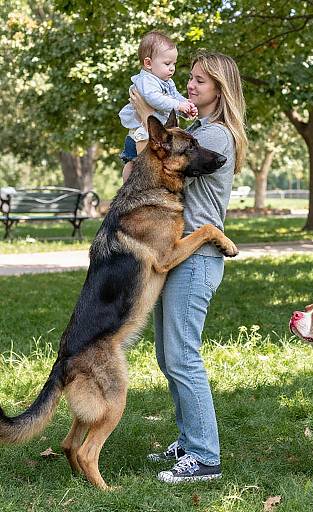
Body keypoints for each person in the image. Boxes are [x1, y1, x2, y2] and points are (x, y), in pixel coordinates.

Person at [130, 50, 247, 484]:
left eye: (200, 80)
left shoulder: (214, 138)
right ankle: (188, 438)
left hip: (196, 257)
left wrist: (146, 115)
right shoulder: (197, 129)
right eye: (190, 78)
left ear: (220, 87)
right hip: (175, 254)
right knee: (168, 356)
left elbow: (156, 162)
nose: (190, 86)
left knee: (183, 357)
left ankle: (205, 458)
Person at [118, 31, 198, 182]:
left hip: (154, 133)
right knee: (132, 166)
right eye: (167, 64)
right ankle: (128, 188)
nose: (172, 68)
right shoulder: (146, 80)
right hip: (139, 134)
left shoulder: (167, 81)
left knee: (148, 170)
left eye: (174, 63)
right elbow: (153, 99)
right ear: (148, 63)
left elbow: (175, 98)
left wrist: (186, 107)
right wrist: (178, 105)